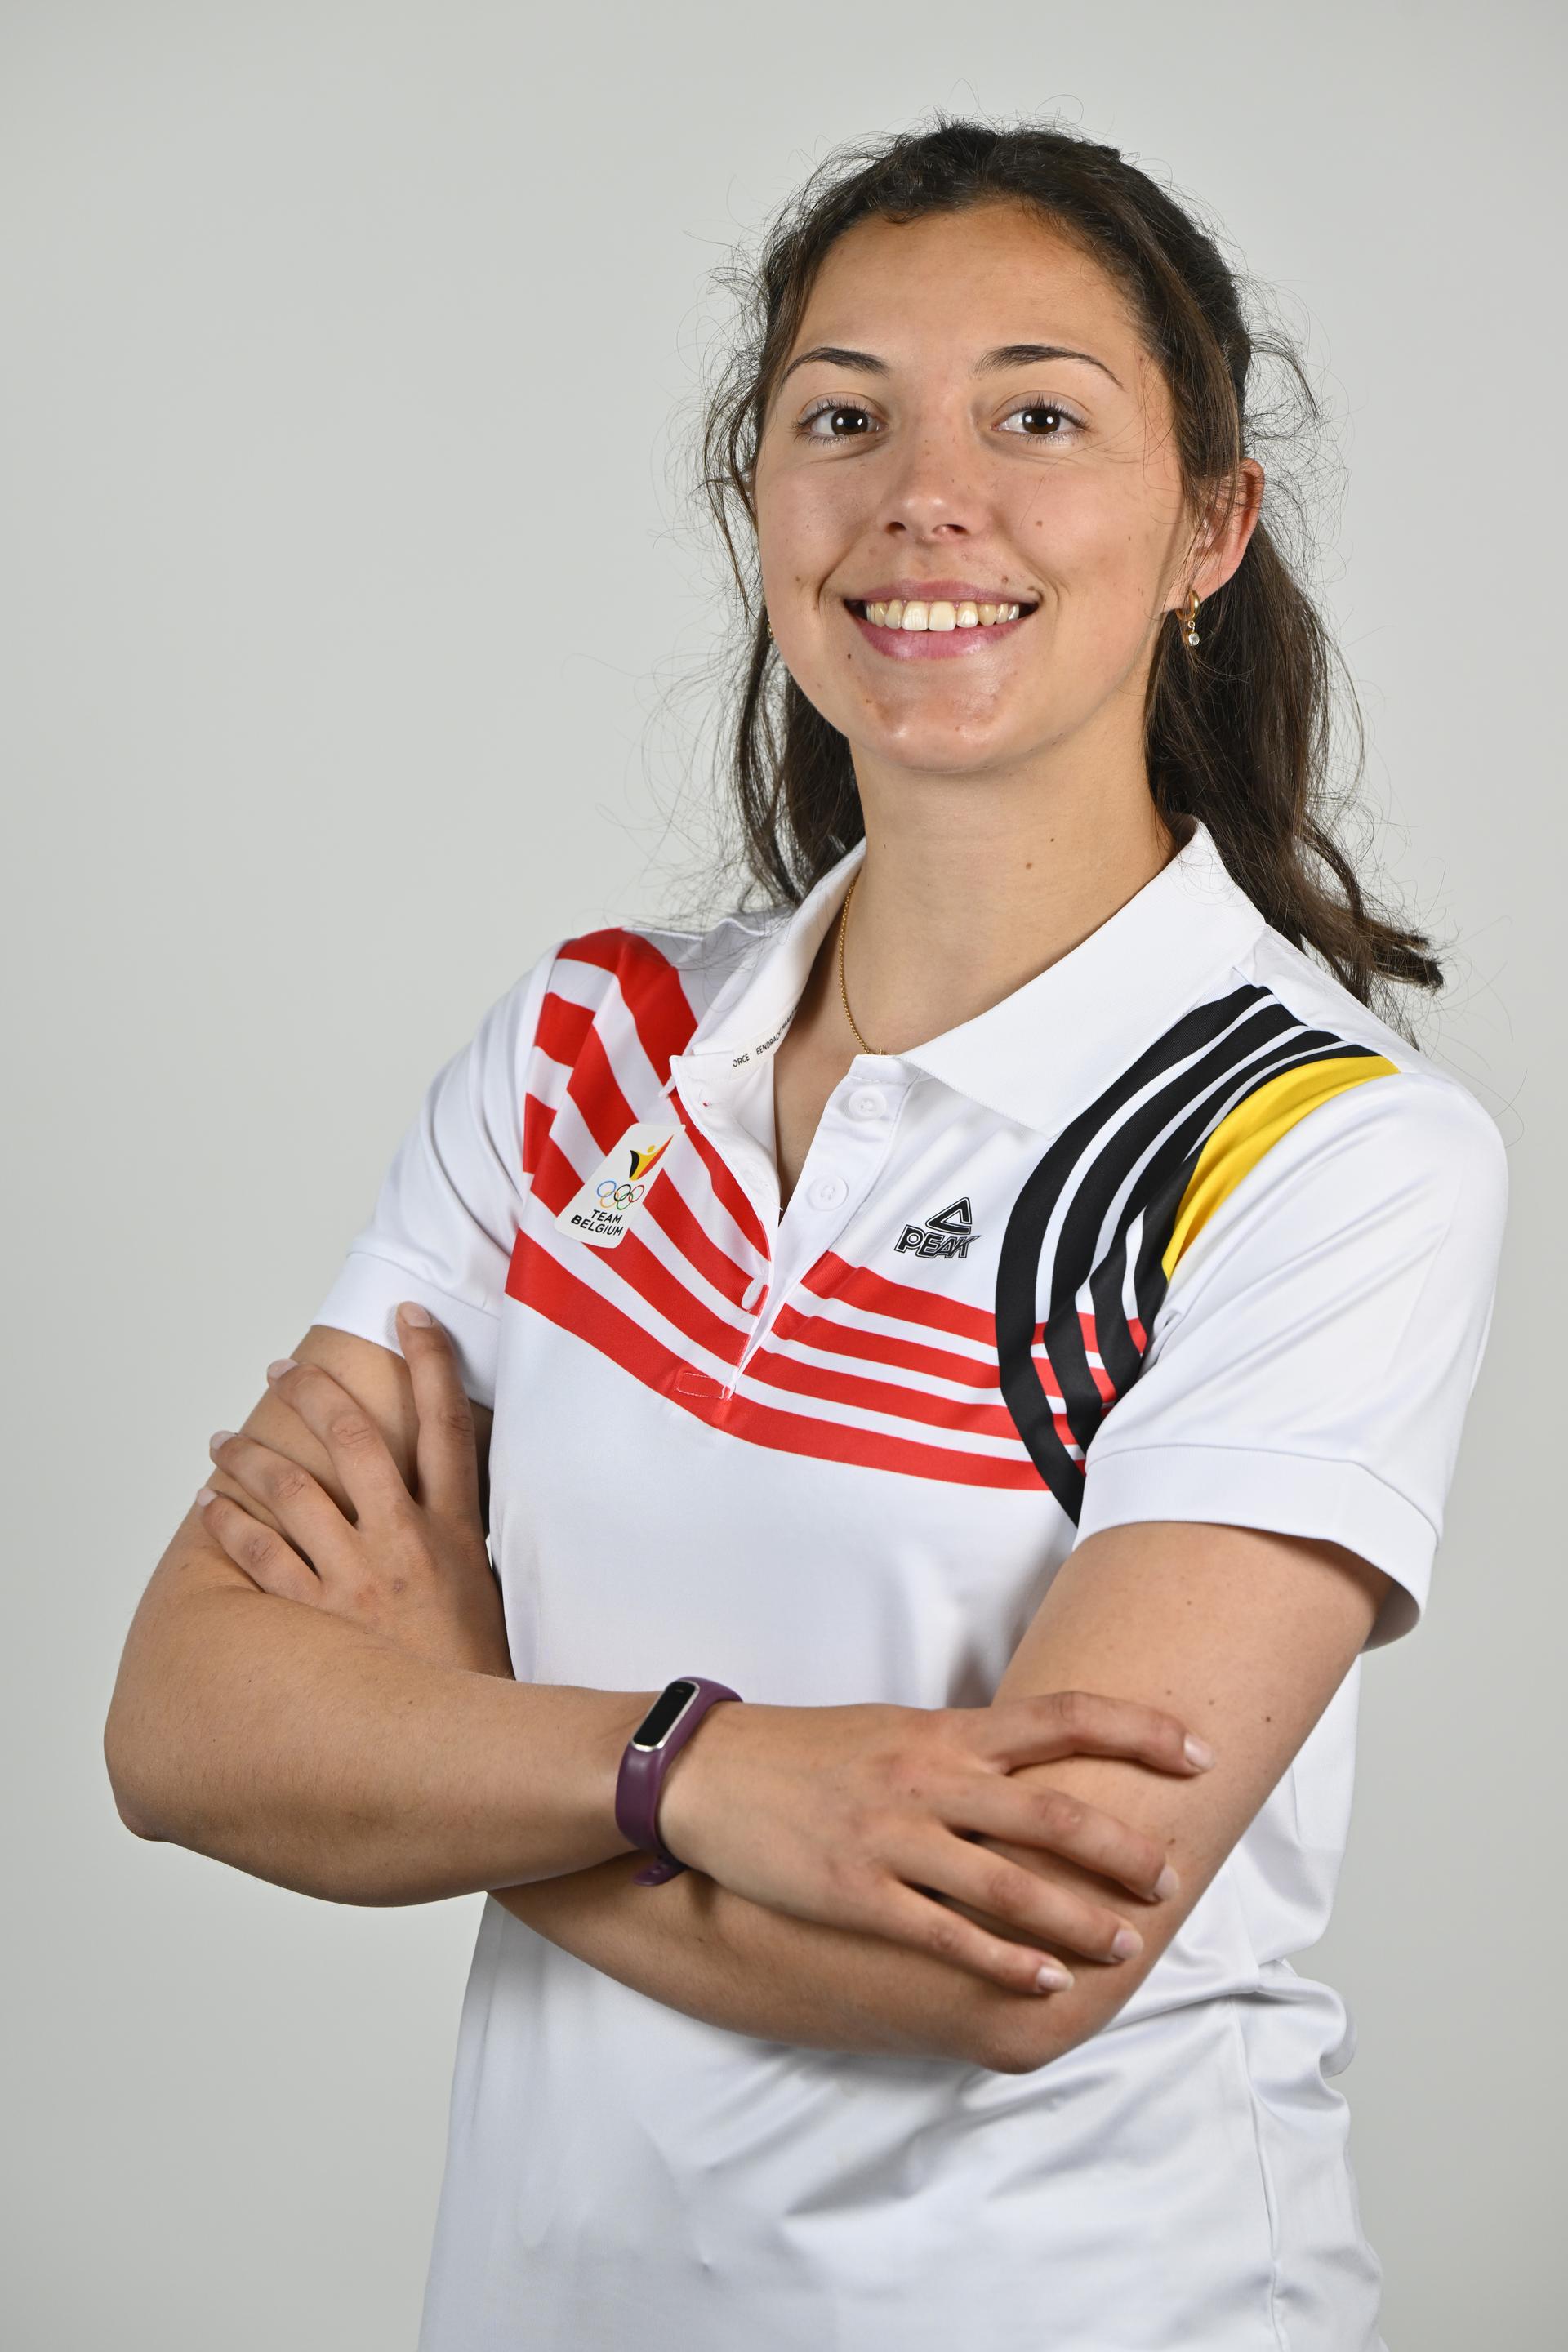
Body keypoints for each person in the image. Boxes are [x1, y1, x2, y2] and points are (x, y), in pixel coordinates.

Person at [104, 117, 1509, 2352]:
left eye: (1038, 416)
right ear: (759, 508)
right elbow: (186, 1723)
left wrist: (455, 1728)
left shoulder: (1323, 1155)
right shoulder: (587, 1047)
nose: (923, 494)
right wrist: (706, 1774)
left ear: (1207, 528)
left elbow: (1011, 1965)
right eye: (841, 418)